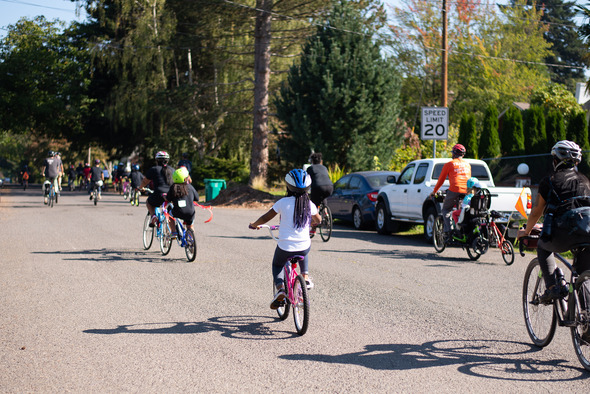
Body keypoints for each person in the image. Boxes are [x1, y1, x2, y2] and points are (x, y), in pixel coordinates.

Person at [518, 141, 590, 311]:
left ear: (555, 160)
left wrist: (526, 231)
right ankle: (586, 327)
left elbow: (536, 212)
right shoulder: (586, 181)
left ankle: (553, 288)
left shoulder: (549, 181)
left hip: (563, 232)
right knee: (581, 276)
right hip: (587, 232)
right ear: (576, 162)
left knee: (543, 247)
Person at [249, 169, 321, 309]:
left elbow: (266, 217)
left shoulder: (282, 202)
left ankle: (281, 288)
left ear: (288, 186)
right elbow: (318, 219)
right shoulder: (310, 204)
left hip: (285, 247)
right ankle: (305, 276)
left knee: (277, 264)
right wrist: (312, 222)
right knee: (303, 250)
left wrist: (255, 224)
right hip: (304, 245)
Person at [430, 144, 471, 237]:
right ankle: (462, 229)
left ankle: (449, 231)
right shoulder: (467, 165)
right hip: (467, 190)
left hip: (455, 189)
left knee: (446, 209)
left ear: (454, 154)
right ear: (463, 155)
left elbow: (441, 180)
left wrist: (434, 191)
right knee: (463, 211)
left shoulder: (449, 164)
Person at [139, 151, 174, 227]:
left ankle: (153, 216)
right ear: (167, 161)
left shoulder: (154, 169)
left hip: (159, 193)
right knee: (170, 212)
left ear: (157, 160)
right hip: (171, 194)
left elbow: (145, 181)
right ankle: (173, 232)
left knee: (149, 202)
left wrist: (141, 188)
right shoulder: (172, 170)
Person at [166, 167, 199, 233]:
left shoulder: (173, 188)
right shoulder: (190, 187)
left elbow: (168, 199)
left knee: (169, 212)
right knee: (190, 222)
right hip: (190, 213)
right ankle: (191, 230)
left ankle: (173, 231)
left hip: (178, 212)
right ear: (185, 178)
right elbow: (197, 198)